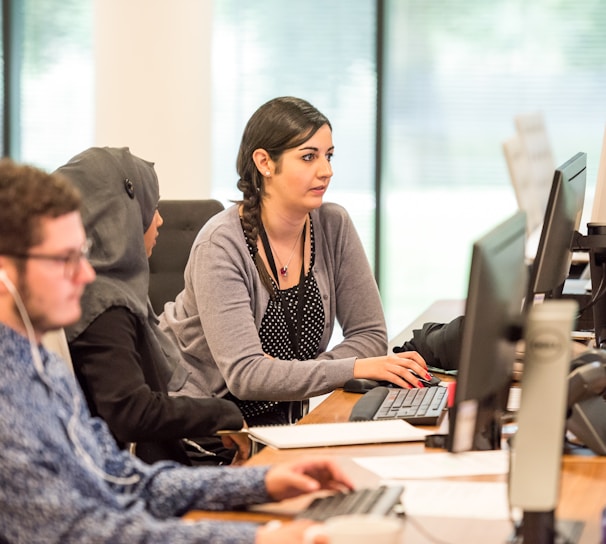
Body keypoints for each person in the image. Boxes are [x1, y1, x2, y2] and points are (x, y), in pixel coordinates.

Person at [0, 157, 354, 543]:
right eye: (64, 259)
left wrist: (261, 483)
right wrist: (255, 539)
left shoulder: (40, 366)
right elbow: (80, 532)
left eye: (81, 253)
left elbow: (121, 477)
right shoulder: (8, 399)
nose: (85, 274)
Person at [160, 96, 431, 428]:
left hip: (284, 422)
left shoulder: (333, 225)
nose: (326, 171)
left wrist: (288, 373)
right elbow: (246, 375)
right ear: (264, 163)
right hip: (210, 429)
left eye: (328, 156)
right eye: (308, 157)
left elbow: (370, 335)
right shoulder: (221, 244)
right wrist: (352, 367)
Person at [55, 146, 249, 466]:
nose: (159, 220)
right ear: (121, 214)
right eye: (151, 207)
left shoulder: (101, 291)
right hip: (134, 480)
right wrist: (222, 413)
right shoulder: (104, 304)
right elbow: (131, 413)